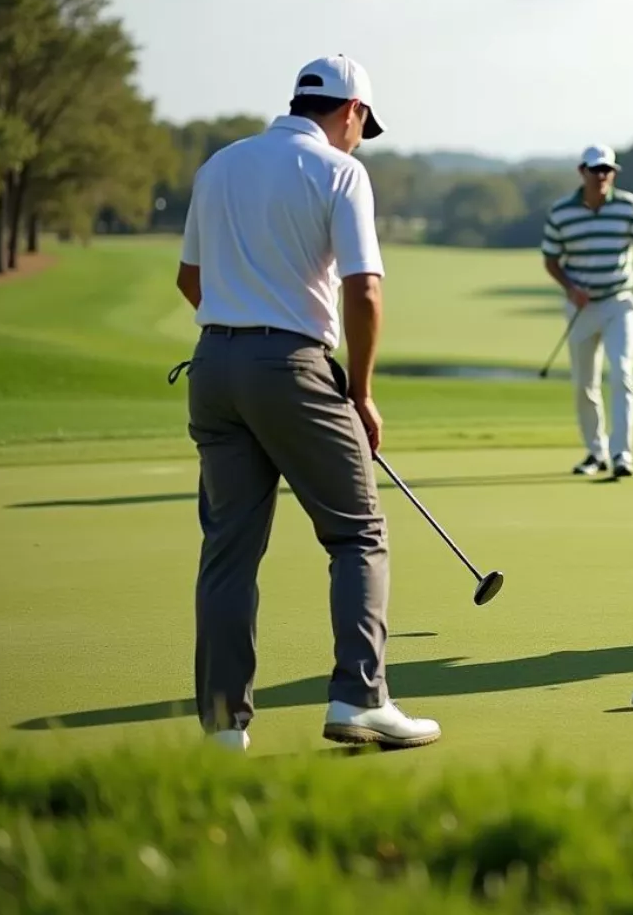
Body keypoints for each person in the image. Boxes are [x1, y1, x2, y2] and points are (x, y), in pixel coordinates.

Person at [174, 54, 440, 751]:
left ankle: (223, 728)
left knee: (229, 553)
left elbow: (189, 278)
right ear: (350, 110)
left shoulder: (220, 165)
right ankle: (360, 698)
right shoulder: (340, 171)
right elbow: (365, 289)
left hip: (212, 367)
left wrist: (238, 327)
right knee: (358, 534)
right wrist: (361, 390)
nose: (360, 136)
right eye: (363, 123)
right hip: (290, 367)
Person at [541, 144, 633, 479]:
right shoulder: (562, 211)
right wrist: (570, 288)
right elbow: (551, 259)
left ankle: (623, 454)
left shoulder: (628, 206)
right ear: (582, 171)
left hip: (619, 301)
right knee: (584, 384)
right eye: (595, 170)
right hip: (581, 307)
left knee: (622, 372)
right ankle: (597, 452)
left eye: (607, 170)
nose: (602, 176)